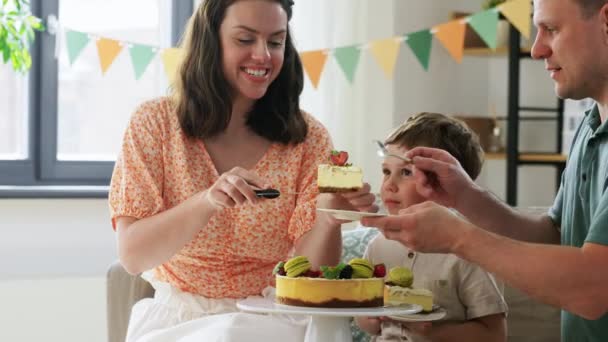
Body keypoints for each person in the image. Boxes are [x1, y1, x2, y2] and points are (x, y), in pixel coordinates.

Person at [108, 1, 376, 341]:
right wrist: (208, 201)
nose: (263, 55)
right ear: (211, 41)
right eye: (245, 40)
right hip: (180, 320)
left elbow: (312, 276)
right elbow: (133, 256)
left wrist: (328, 218)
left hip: (277, 318)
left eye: (275, 42)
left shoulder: (310, 139)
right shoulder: (154, 124)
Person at [362, 0, 608, 340]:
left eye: (551, 29)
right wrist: (467, 197)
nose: (537, 50)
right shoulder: (590, 126)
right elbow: (557, 237)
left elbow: (593, 289)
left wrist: (457, 237)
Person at [355, 113, 507, 342]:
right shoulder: (378, 245)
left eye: (406, 173)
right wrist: (372, 319)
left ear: (447, 184)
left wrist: (433, 334)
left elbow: (494, 334)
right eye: (386, 171)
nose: (389, 185)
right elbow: (363, 318)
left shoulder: (468, 251)